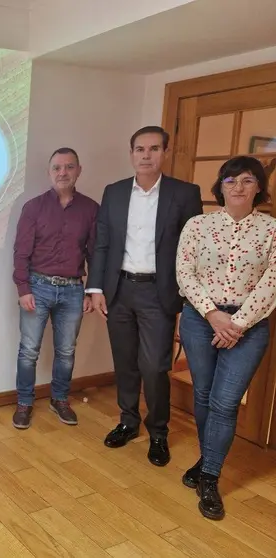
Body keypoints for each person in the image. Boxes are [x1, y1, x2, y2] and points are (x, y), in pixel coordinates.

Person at [87, 125, 202, 466]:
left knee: (154, 367)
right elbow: (103, 243)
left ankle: (159, 432)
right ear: (132, 154)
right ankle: (127, 421)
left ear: (165, 152)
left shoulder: (184, 194)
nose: (146, 155)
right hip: (119, 289)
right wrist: (96, 288)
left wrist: (189, 298)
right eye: (140, 149)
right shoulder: (115, 192)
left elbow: (192, 249)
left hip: (158, 292)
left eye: (154, 149)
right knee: (125, 363)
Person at [176, 156, 276, 520]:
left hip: (248, 328)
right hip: (200, 319)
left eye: (247, 180)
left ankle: (210, 477)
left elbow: (272, 282)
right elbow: (184, 272)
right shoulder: (197, 225)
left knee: (225, 402)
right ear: (220, 186)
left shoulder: (271, 229)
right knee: (203, 395)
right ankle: (208, 460)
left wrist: (238, 323)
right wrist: (214, 315)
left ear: (259, 189)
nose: (238, 187)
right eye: (230, 180)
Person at [11, 148, 97, 429]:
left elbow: (95, 253)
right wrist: (23, 288)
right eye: (57, 168)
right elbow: (21, 251)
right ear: (49, 172)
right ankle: (24, 402)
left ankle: (59, 398)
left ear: (78, 171)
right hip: (37, 287)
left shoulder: (90, 209)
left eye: (69, 167)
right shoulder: (33, 207)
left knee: (66, 351)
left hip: (73, 290)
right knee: (29, 350)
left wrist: (91, 291)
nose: (63, 173)